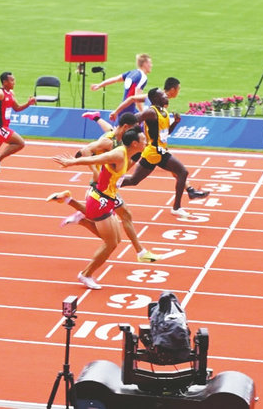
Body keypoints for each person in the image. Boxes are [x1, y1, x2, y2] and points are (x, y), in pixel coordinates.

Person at [48, 112, 161, 263]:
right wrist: (94, 171)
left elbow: (109, 128)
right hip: (102, 185)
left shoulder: (121, 138)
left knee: (111, 230)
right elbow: (86, 150)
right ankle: (140, 252)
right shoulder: (109, 141)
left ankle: (74, 207)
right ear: (126, 127)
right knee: (121, 221)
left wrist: (96, 118)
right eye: (133, 129)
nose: (135, 132)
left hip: (111, 185)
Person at [52, 126, 147, 290]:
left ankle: (76, 210)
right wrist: (73, 162)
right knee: (110, 244)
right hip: (100, 200)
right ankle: (86, 274)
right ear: (134, 143)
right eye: (143, 140)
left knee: (115, 241)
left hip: (108, 199)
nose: (146, 142)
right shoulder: (119, 154)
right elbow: (96, 159)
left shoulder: (127, 154)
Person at [119, 87, 209, 217]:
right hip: (154, 151)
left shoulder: (164, 112)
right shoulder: (151, 112)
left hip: (159, 151)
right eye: (162, 95)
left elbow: (166, 133)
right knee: (182, 172)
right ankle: (177, 207)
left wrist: (175, 123)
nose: (166, 96)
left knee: (134, 180)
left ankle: (109, 184)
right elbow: (136, 118)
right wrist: (129, 131)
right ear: (155, 98)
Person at [0, 71, 36, 173]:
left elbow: (17, 108)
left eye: (14, 80)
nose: (14, 82)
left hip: (2, 127)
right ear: (5, 82)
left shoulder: (11, 93)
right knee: (20, 143)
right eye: (12, 80)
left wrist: (28, 104)